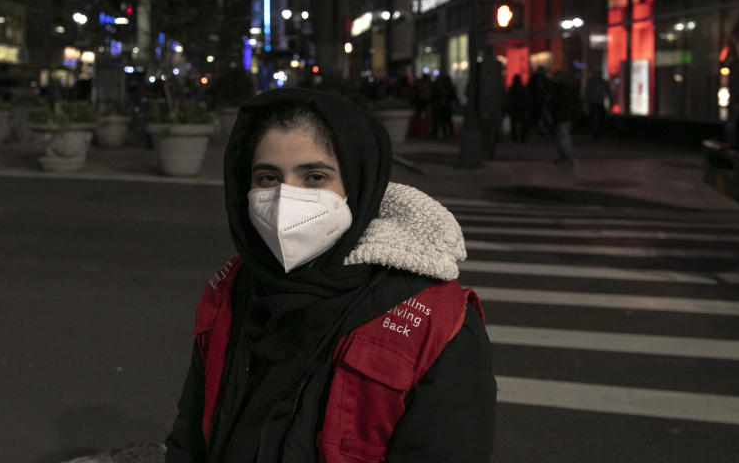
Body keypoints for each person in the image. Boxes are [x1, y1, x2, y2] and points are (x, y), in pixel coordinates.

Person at [165, 88, 496, 463]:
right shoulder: (232, 288)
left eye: (315, 177)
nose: (285, 200)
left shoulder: (437, 323)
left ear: (357, 185)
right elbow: (190, 434)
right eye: (269, 178)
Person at [549, 71, 577, 168]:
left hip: (563, 116)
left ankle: (568, 157)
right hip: (561, 116)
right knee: (560, 137)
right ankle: (564, 156)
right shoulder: (561, 88)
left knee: (564, 137)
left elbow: (560, 102)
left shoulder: (562, 89)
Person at [584, 70, 611, 139]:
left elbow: (608, 93)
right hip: (594, 103)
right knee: (595, 119)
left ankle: (597, 133)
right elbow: (587, 93)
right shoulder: (592, 82)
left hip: (598, 103)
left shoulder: (602, 82)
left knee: (599, 119)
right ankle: (595, 133)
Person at [430, 73, 458, 140]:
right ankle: (446, 133)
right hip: (441, 105)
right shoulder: (441, 86)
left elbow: (453, 96)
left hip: (444, 105)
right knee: (443, 120)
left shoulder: (445, 86)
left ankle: (447, 133)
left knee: (444, 120)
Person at [505, 74, 530, 143]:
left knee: (514, 125)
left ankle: (515, 139)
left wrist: (508, 109)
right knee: (523, 125)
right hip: (521, 109)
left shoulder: (511, 89)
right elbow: (526, 99)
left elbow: (509, 100)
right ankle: (522, 138)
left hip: (514, 109)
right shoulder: (523, 89)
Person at [528, 66, 550, 135]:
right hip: (537, 101)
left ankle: (539, 130)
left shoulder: (542, 80)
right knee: (537, 116)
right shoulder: (536, 79)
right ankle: (538, 130)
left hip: (539, 101)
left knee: (539, 116)